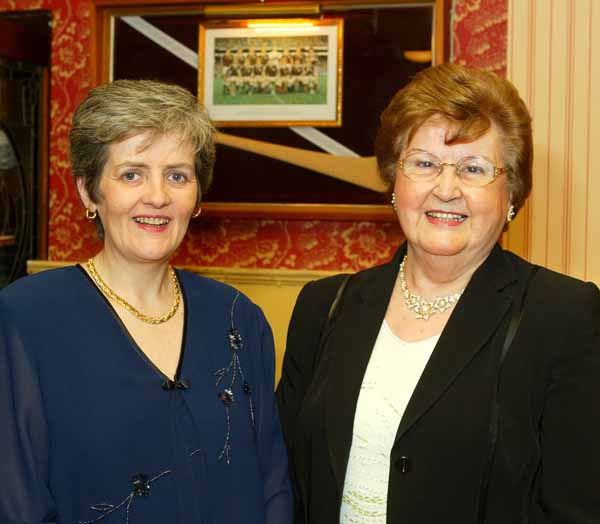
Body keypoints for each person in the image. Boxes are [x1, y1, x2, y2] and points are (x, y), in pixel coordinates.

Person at [276, 63, 600, 524]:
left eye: (473, 169)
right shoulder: (324, 306)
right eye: (424, 164)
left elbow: (578, 509)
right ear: (395, 180)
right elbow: (286, 482)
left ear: (511, 194)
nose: (446, 189)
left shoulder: (563, 316)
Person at [0, 79, 292, 524]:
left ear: (196, 196)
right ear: (88, 191)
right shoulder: (25, 318)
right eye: (132, 174)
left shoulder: (238, 318)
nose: (157, 196)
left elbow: (272, 484)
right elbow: (16, 499)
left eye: (177, 175)